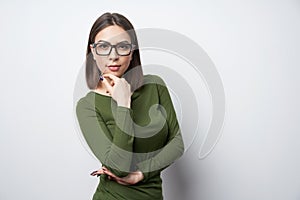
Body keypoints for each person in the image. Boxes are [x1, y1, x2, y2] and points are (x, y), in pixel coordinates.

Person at [76, 12, 184, 200]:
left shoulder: (155, 86)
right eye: (103, 47)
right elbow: (119, 166)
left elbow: (177, 144)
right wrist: (123, 105)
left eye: (122, 47)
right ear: (93, 51)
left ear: (132, 50)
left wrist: (142, 173)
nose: (114, 56)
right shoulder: (87, 106)